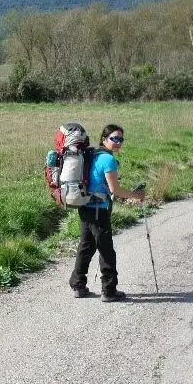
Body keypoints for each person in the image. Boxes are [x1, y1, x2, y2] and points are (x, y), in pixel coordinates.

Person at [68, 124, 145, 302]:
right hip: (98, 210)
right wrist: (136, 195)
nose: (118, 143)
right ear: (104, 139)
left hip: (85, 206)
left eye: (121, 139)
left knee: (86, 246)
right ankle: (109, 291)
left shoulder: (93, 154)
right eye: (114, 139)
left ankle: (78, 285)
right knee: (106, 250)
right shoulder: (108, 160)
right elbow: (115, 190)